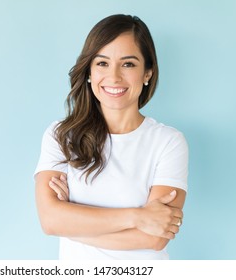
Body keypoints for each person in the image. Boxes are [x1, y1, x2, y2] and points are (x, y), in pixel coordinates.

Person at [34, 14, 188, 260]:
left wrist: (72, 222)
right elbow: (50, 220)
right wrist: (137, 216)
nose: (114, 77)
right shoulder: (61, 136)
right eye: (102, 63)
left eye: (128, 64)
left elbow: (155, 238)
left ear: (147, 73)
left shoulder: (168, 142)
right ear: (89, 71)